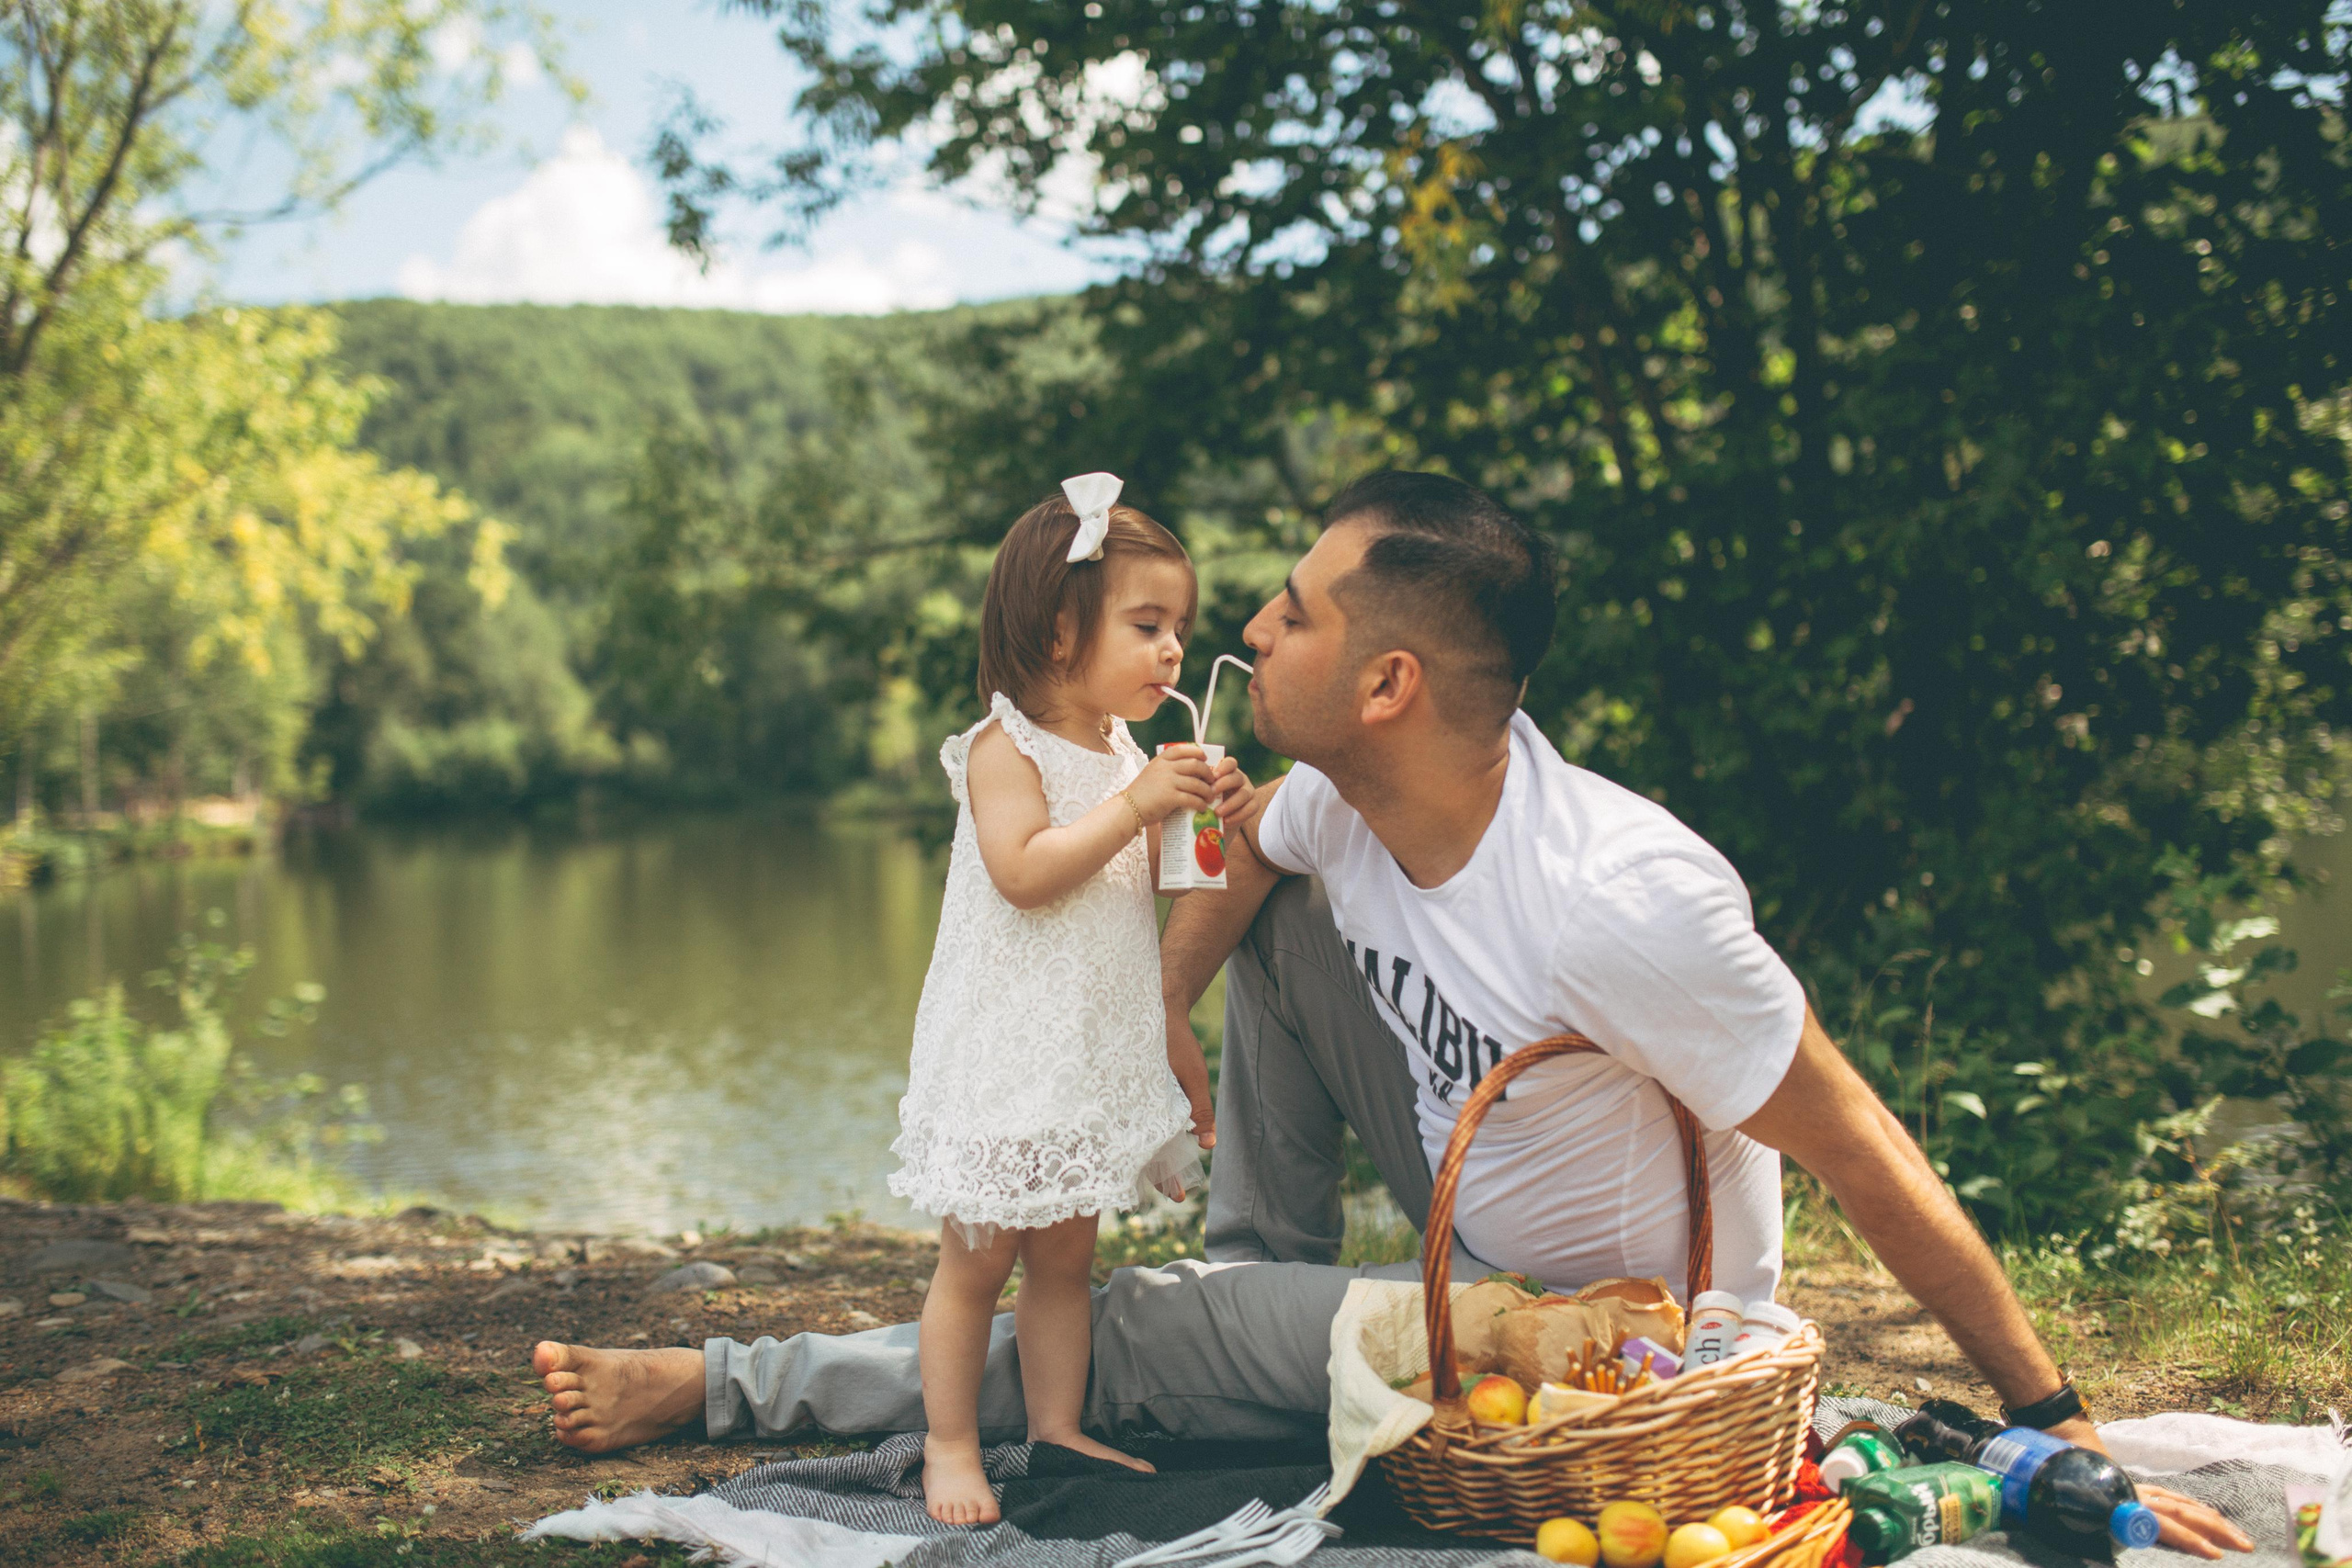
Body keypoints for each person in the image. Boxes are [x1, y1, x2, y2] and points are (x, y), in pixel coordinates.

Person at [532, 471, 2252, 1559]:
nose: (1247, 636)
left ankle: (733, 1386)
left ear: (1384, 684)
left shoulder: (1618, 902)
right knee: (1259, 899)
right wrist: (1136, 1028)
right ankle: (1252, 1270)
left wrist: (2050, 1415)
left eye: (1283, 612)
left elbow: (1863, 1144)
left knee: (1116, 1336)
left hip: (1573, 1329)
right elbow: (1225, 891)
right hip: (1447, 1217)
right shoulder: (1348, 795)